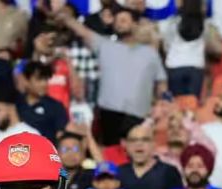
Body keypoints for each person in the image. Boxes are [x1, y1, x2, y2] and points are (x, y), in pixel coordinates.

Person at [54, 4, 167, 148]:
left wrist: (160, 103)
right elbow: (82, 31)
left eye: (124, 20)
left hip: (138, 114)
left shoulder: (150, 53)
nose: (120, 24)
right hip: (108, 113)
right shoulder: (104, 45)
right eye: (118, 21)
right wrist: (65, 16)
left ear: (134, 24)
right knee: (108, 154)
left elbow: (161, 83)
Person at [160, 0, 208, 98]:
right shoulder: (204, 24)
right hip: (196, 67)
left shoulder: (173, 22)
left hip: (175, 65)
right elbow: (206, 42)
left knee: (176, 104)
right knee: (192, 104)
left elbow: (166, 43)